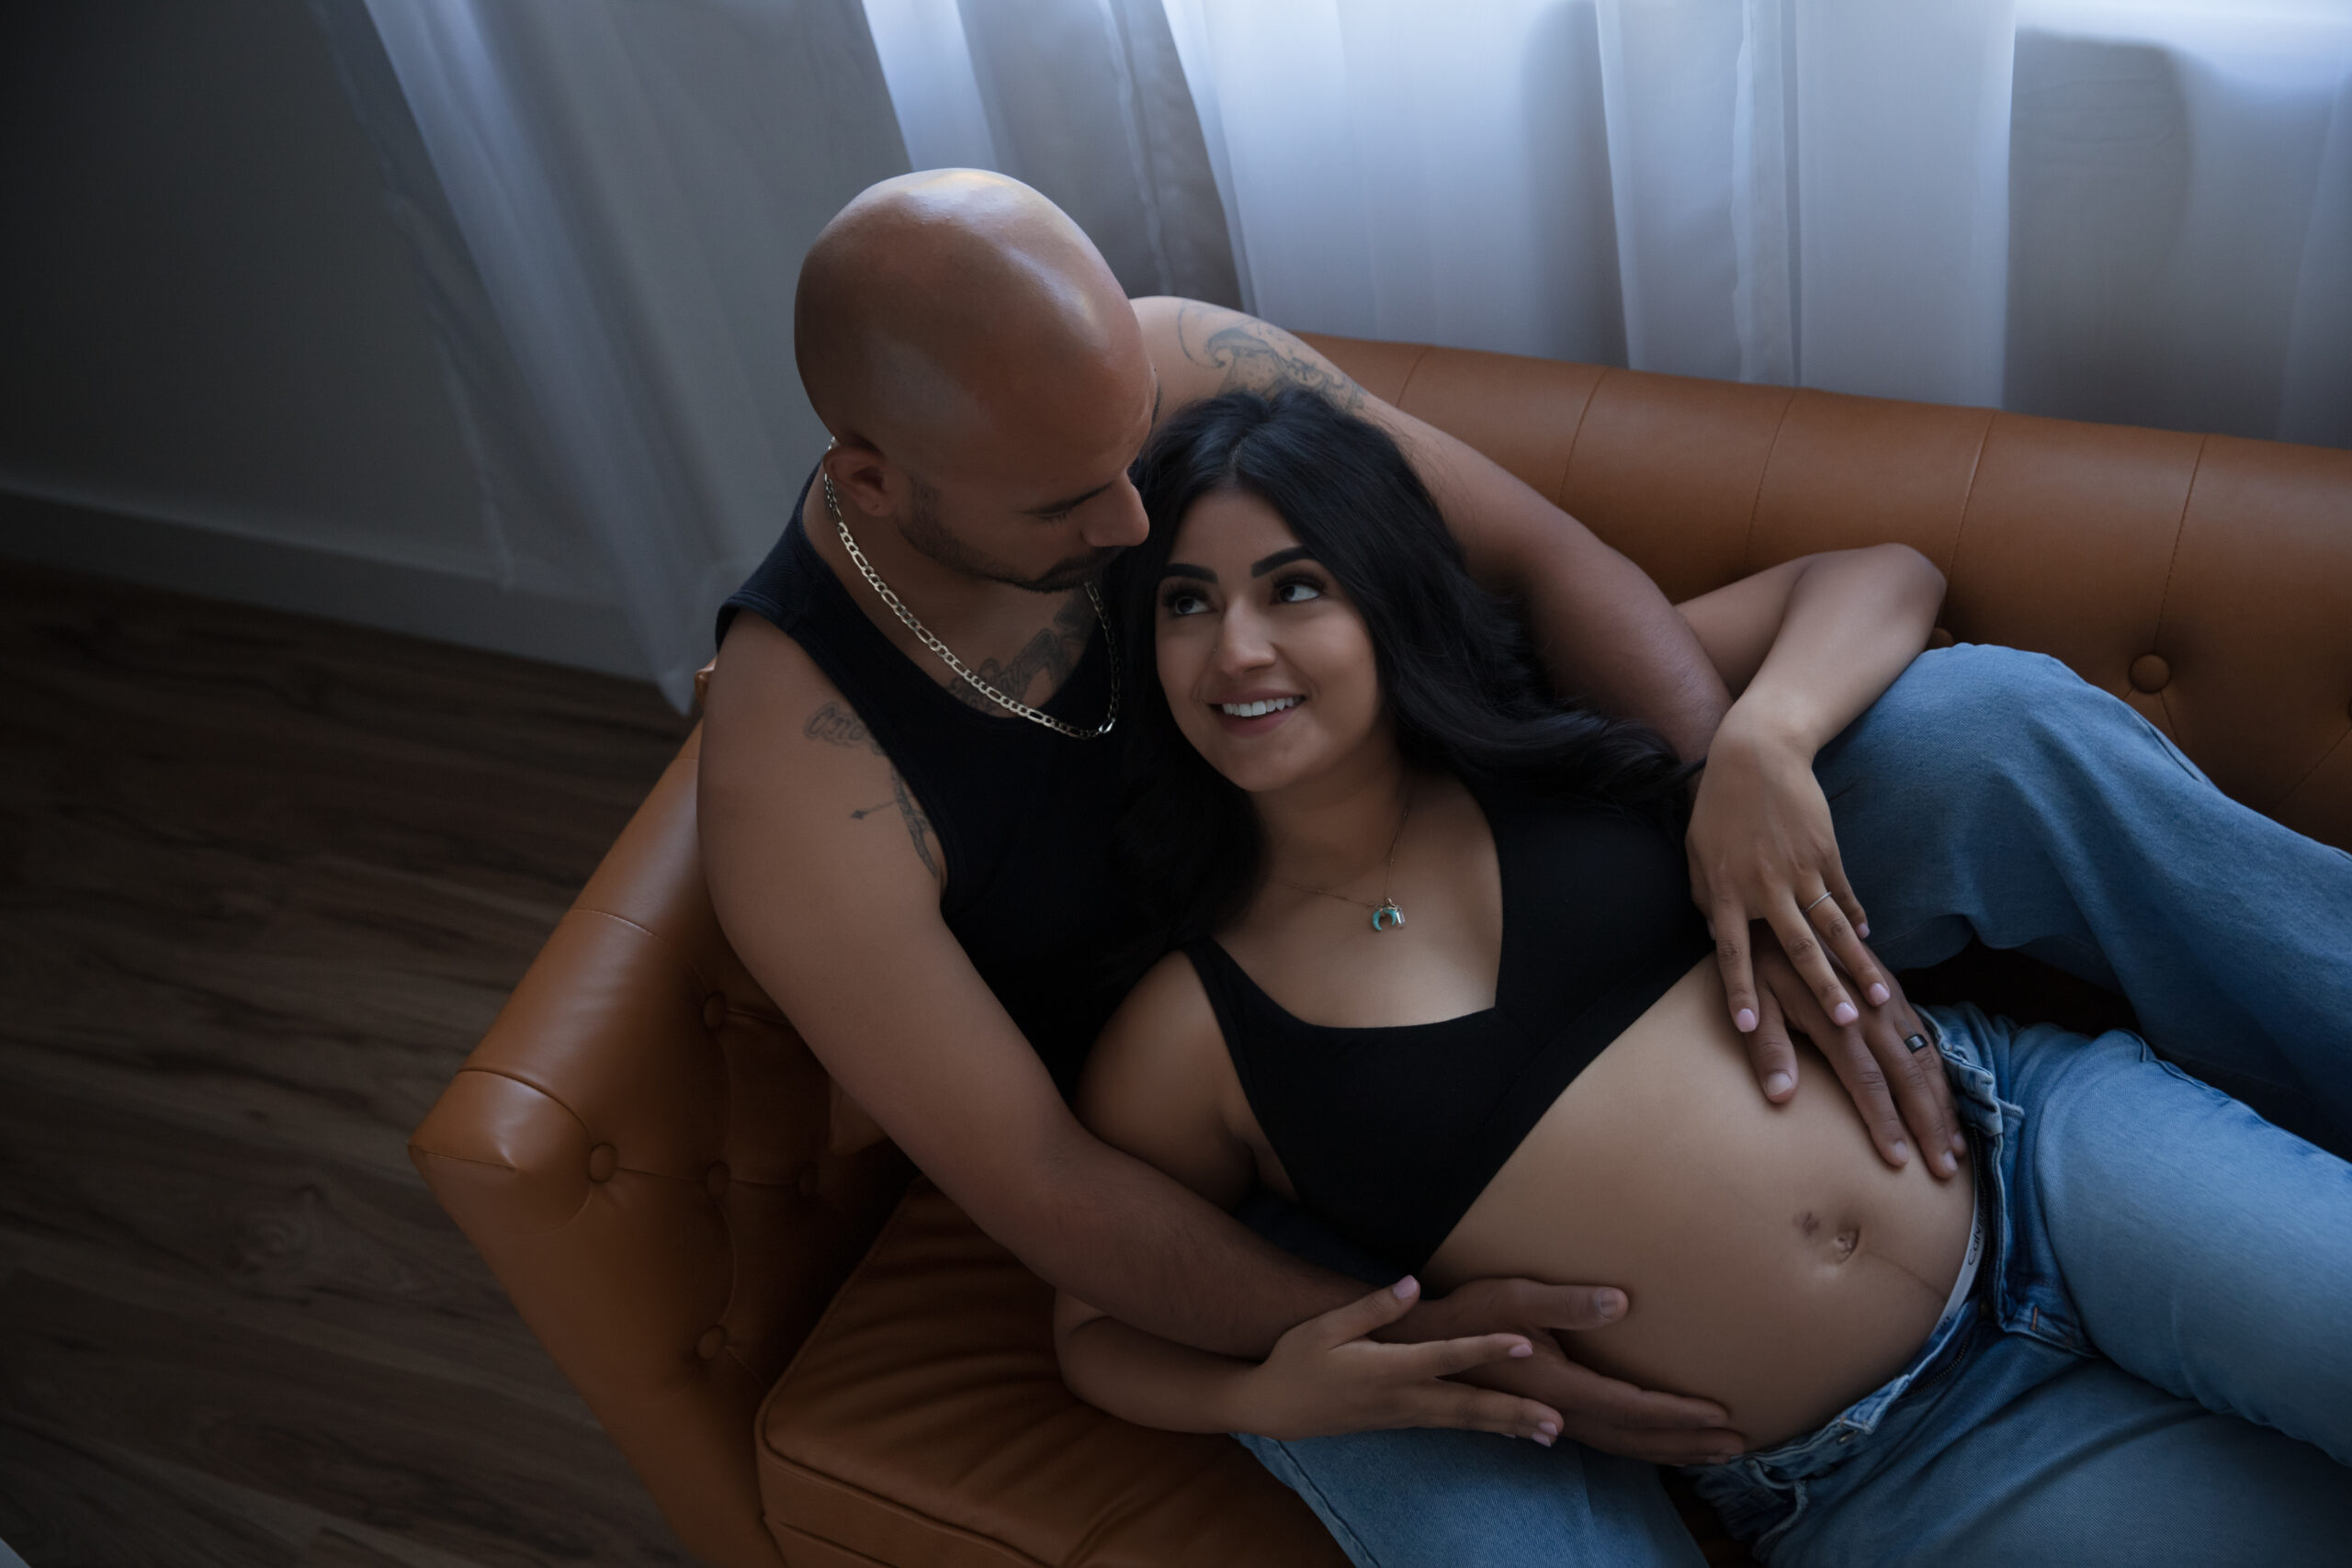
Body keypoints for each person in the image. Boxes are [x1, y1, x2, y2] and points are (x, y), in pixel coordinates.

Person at [698, 168, 2352, 1564]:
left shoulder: (1186, 379)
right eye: (1082, 511)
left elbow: (1560, 562)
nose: (1137, 530)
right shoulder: (806, 787)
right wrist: (1427, 1349)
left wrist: (1720, 814)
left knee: (1973, 729)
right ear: (871, 479)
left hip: (1970, 1115)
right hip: (1328, 1159)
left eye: (1146, 458)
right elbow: (1059, 1207)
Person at [1053, 387, 2352, 1566]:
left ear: (1386, 597)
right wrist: (1264, 1396)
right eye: (1186, 601)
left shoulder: (1545, 732)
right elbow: (1094, 1325)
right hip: (1883, 1467)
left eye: (1293, 589)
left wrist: (1762, 748)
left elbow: (1882, 576)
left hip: (2042, 1158)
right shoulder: (1191, 1028)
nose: (1236, 652)